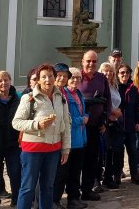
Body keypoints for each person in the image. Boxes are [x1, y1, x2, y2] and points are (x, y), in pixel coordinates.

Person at [13, 62, 71, 209]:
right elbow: (16, 122)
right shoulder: (29, 98)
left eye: (50, 76)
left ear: (54, 77)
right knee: (27, 188)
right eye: (43, 77)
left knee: (48, 187)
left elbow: (66, 124)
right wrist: (37, 125)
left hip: (53, 150)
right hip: (32, 150)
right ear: (38, 80)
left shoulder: (61, 98)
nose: (47, 80)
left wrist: (66, 149)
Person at [77, 50, 112, 201]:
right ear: (82, 61)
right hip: (78, 128)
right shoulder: (76, 77)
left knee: (92, 159)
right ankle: (73, 191)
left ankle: (87, 189)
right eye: (88, 61)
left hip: (95, 126)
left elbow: (108, 101)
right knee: (77, 160)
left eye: (94, 61)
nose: (91, 64)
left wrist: (105, 121)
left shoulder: (101, 78)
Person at [0, 70, 21, 209]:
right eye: (0, 81)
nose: (3, 83)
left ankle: (17, 199)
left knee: (16, 172)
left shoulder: (17, 98)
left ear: (10, 81)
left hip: (13, 143)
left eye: (6, 80)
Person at [54, 66, 88, 209]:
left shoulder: (79, 93)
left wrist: (86, 116)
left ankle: (73, 199)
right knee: (62, 173)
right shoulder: (64, 94)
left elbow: (83, 111)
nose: (75, 80)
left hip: (79, 139)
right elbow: (66, 117)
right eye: (72, 77)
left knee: (75, 171)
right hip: (68, 139)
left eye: (78, 77)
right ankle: (55, 199)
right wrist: (81, 120)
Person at [116, 64, 139, 185]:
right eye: (122, 73)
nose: (124, 75)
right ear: (117, 74)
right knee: (118, 151)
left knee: (133, 150)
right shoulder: (114, 88)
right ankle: (117, 175)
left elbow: (137, 107)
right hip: (118, 125)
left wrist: (137, 121)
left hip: (131, 124)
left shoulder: (133, 88)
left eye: (127, 73)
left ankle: (135, 174)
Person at [100, 62, 125, 190]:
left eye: (110, 71)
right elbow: (102, 103)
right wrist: (111, 113)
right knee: (106, 151)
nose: (108, 73)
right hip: (106, 122)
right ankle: (103, 179)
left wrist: (118, 112)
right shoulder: (101, 86)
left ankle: (110, 177)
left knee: (113, 151)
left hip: (115, 122)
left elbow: (116, 102)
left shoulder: (113, 86)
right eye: (105, 71)